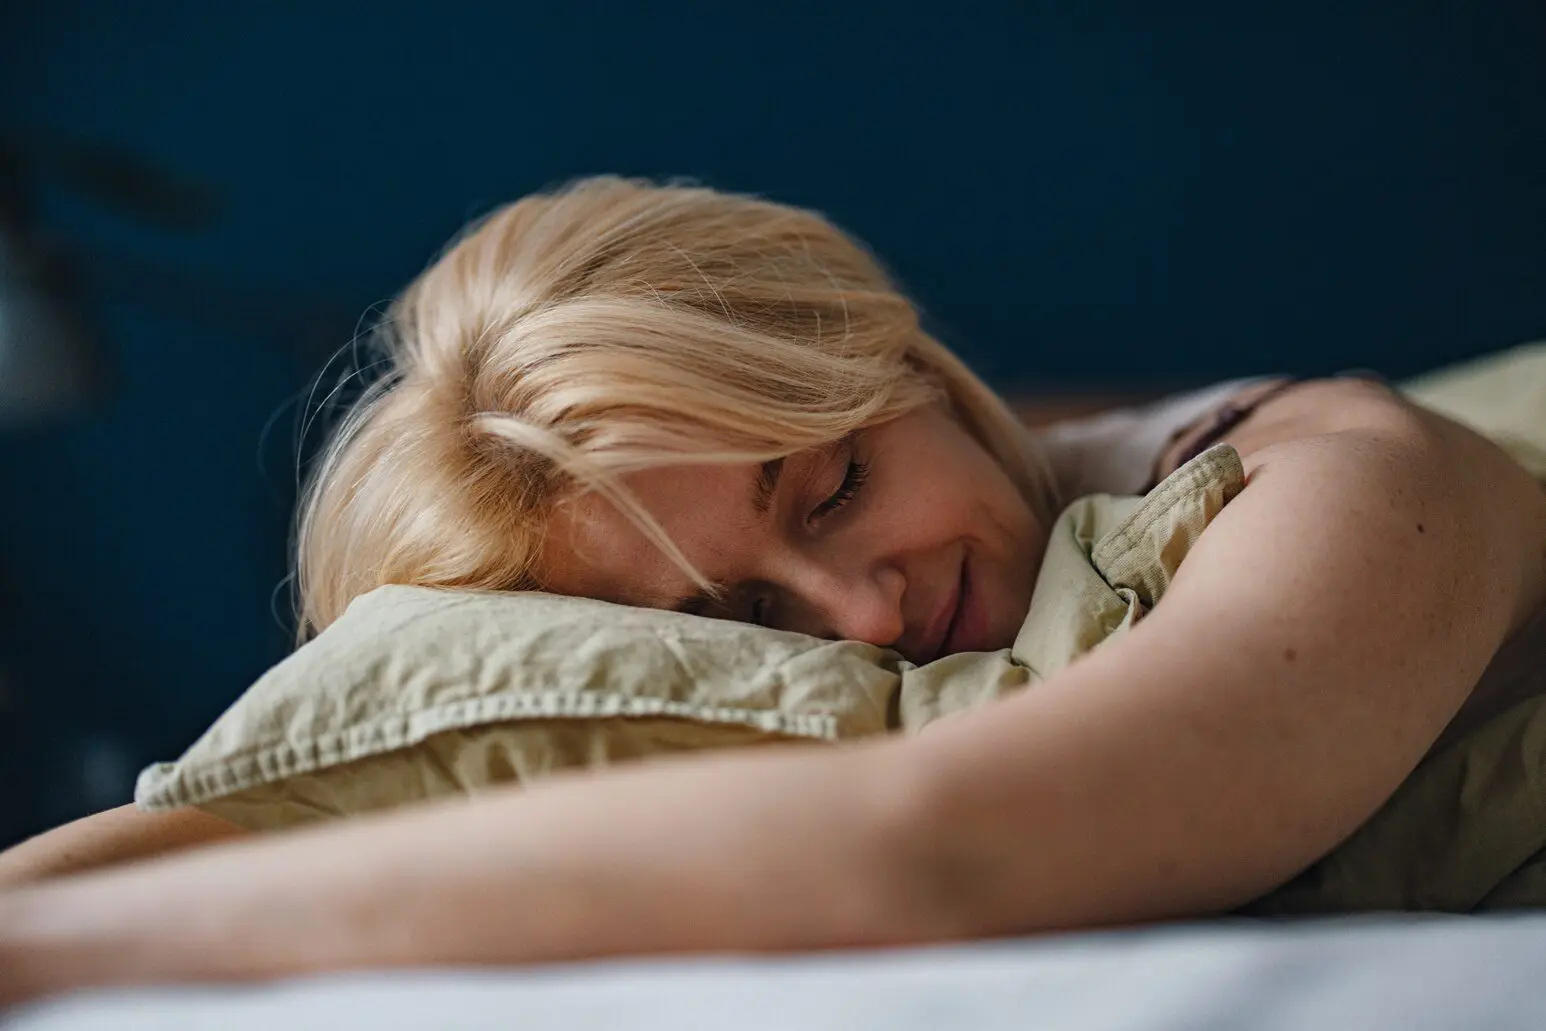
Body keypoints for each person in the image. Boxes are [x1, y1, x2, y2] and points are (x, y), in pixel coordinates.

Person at [3, 178, 1544, 1004]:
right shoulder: (959, 502)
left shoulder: (1351, 485)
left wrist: (57, 955)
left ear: (907, 364)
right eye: (744, 626)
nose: (858, 618)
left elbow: (942, 849)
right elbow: (380, 752)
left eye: (830, 488)